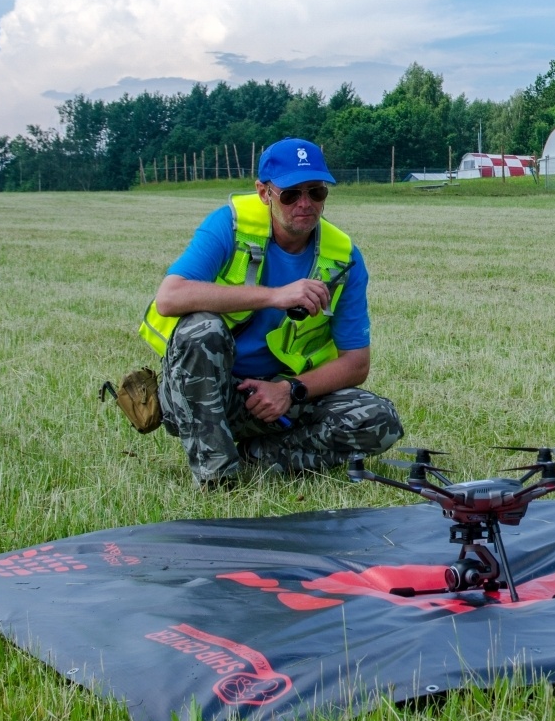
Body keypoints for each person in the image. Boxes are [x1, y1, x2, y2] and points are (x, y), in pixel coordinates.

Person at [139, 137, 402, 487]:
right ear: (264, 193)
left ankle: (259, 456)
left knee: (380, 421)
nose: (306, 204)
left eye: (317, 192)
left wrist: (289, 389)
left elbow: (357, 363)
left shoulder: (344, 258)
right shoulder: (228, 226)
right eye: (291, 194)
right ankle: (217, 476)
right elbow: (170, 297)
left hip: (274, 397)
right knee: (201, 329)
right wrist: (273, 296)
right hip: (204, 392)